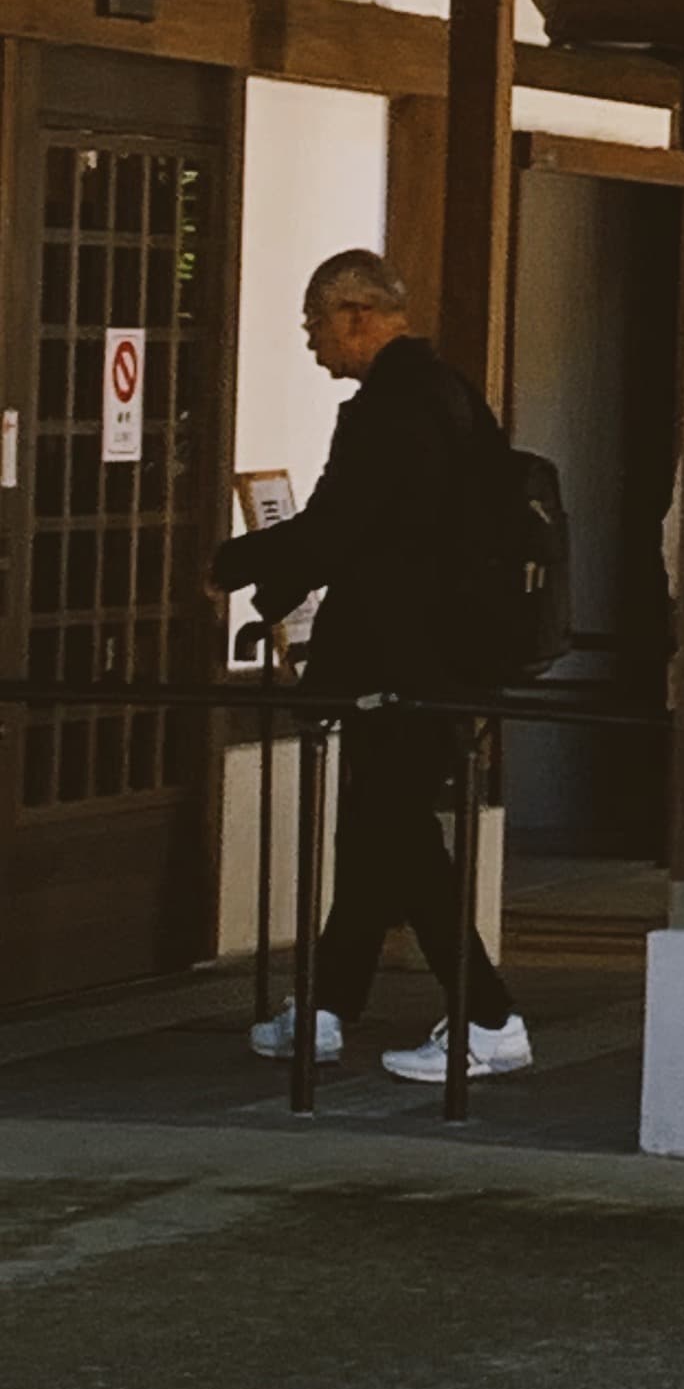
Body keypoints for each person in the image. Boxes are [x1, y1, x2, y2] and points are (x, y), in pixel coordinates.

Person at [211, 250, 534, 1085]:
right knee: (372, 829)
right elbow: (364, 531)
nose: (314, 342)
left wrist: (231, 563)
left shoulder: (391, 406)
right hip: (446, 648)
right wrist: (275, 586)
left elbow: (335, 529)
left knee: (398, 833)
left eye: (316, 323)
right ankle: (326, 1007)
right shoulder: (453, 394)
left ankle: (490, 1015)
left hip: (406, 655)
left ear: (358, 314)